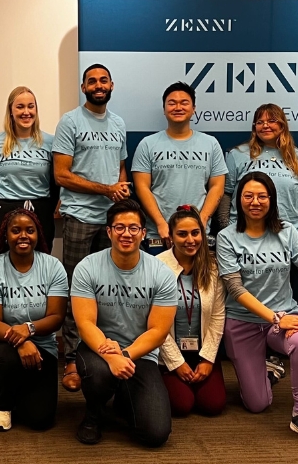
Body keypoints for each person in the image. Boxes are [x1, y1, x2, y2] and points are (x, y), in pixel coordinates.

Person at [216, 172, 298, 448]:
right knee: (257, 404)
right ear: (239, 200)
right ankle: (269, 371)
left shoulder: (287, 231)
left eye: (262, 196)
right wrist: (276, 317)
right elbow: (236, 289)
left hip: (284, 318)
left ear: (272, 199)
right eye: (248, 196)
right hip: (243, 323)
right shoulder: (227, 237)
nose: (255, 202)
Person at [71, 199, 178, 447]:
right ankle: (93, 414)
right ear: (108, 232)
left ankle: (123, 397)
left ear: (143, 233)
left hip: (140, 354)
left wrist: (125, 355)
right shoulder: (88, 267)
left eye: (133, 228)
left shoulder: (161, 273)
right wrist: (111, 357)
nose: (126, 234)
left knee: (155, 435)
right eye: (119, 227)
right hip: (98, 349)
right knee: (98, 373)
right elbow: (85, 323)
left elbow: (158, 331)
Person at [53, 64, 130, 392]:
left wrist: (121, 191)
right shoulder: (70, 122)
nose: (98, 86)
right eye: (92, 82)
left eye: (103, 80)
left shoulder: (119, 123)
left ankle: (104, 352)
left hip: (111, 223)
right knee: (76, 291)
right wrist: (106, 189)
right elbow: (62, 175)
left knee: (109, 293)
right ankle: (70, 358)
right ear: (83, 87)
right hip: (80, 218)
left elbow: (121, 168)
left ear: (112, 84)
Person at [221, 103, 298, 310]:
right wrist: (226, 225)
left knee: (283, 298)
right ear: (254, 127)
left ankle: (283, 329)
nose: (266, 125)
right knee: (247, 296)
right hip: (245, 237)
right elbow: (226, 193)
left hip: (291, 235)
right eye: (260, 121)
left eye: (272, 120)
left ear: (282, 125)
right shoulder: (238, 154)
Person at [0, 208, 67, 431]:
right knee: (9, 359)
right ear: (5, 235)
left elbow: (57, 317)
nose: (23, 236)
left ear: (38, 234)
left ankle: (19, 387)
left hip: (43, 341)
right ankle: (2, 403)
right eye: (16, 230)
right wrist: (22, 340)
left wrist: (29, 329)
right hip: (0, 339)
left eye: (30, 230)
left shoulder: (53, 266)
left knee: (40, 419)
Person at [133, 82, 227, 253]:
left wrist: (202, 220)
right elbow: (141, 187)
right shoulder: (147, 144)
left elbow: (217, 186)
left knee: (199, 280)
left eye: (184, 102)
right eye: (172, 103)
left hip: (196, 234)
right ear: (164, 109)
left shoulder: (211, 144)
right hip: (160, 234)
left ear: (193, 109)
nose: (178, 107)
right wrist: (161, 223)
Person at [157, 206, 226, 416]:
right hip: (167, 354)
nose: (190, 240)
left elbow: (217, 317)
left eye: (195, 233)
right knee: (181, 406)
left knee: (213, 405)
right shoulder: (157, 266)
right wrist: (176, 363)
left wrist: (207, 360)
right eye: (182, 234)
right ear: (171, 236)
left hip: (202, 352)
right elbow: (153, 324)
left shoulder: (213, 267)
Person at [0, 86, 58, 252]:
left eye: (31, 106)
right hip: (3, 210)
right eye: (20, 106)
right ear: (10, 111)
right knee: (1, 263)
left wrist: (44, 207)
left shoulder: (51, 143)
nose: (26, 112)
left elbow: (55, 183)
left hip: (41, 210)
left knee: (41, 262)